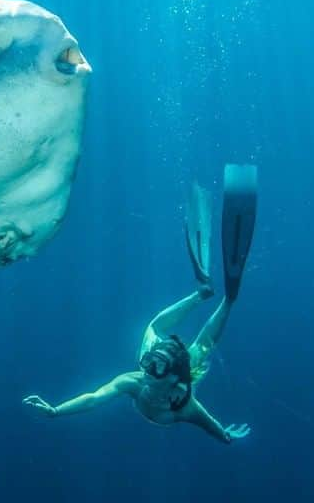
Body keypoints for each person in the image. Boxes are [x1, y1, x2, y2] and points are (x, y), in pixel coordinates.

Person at [23, 165, 258, 444]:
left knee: (198, 347)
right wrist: (55, 411)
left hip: (183, 370)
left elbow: (210, 424)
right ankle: (202, 294)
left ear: (171, 379)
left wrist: (225, 436)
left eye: (155, 367)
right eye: (149, 363)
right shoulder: (137, 381)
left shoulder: (185, 406)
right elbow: (94, 397)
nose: (147, 370)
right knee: (171, 335)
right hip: (175, 363)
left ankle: (223, 300)